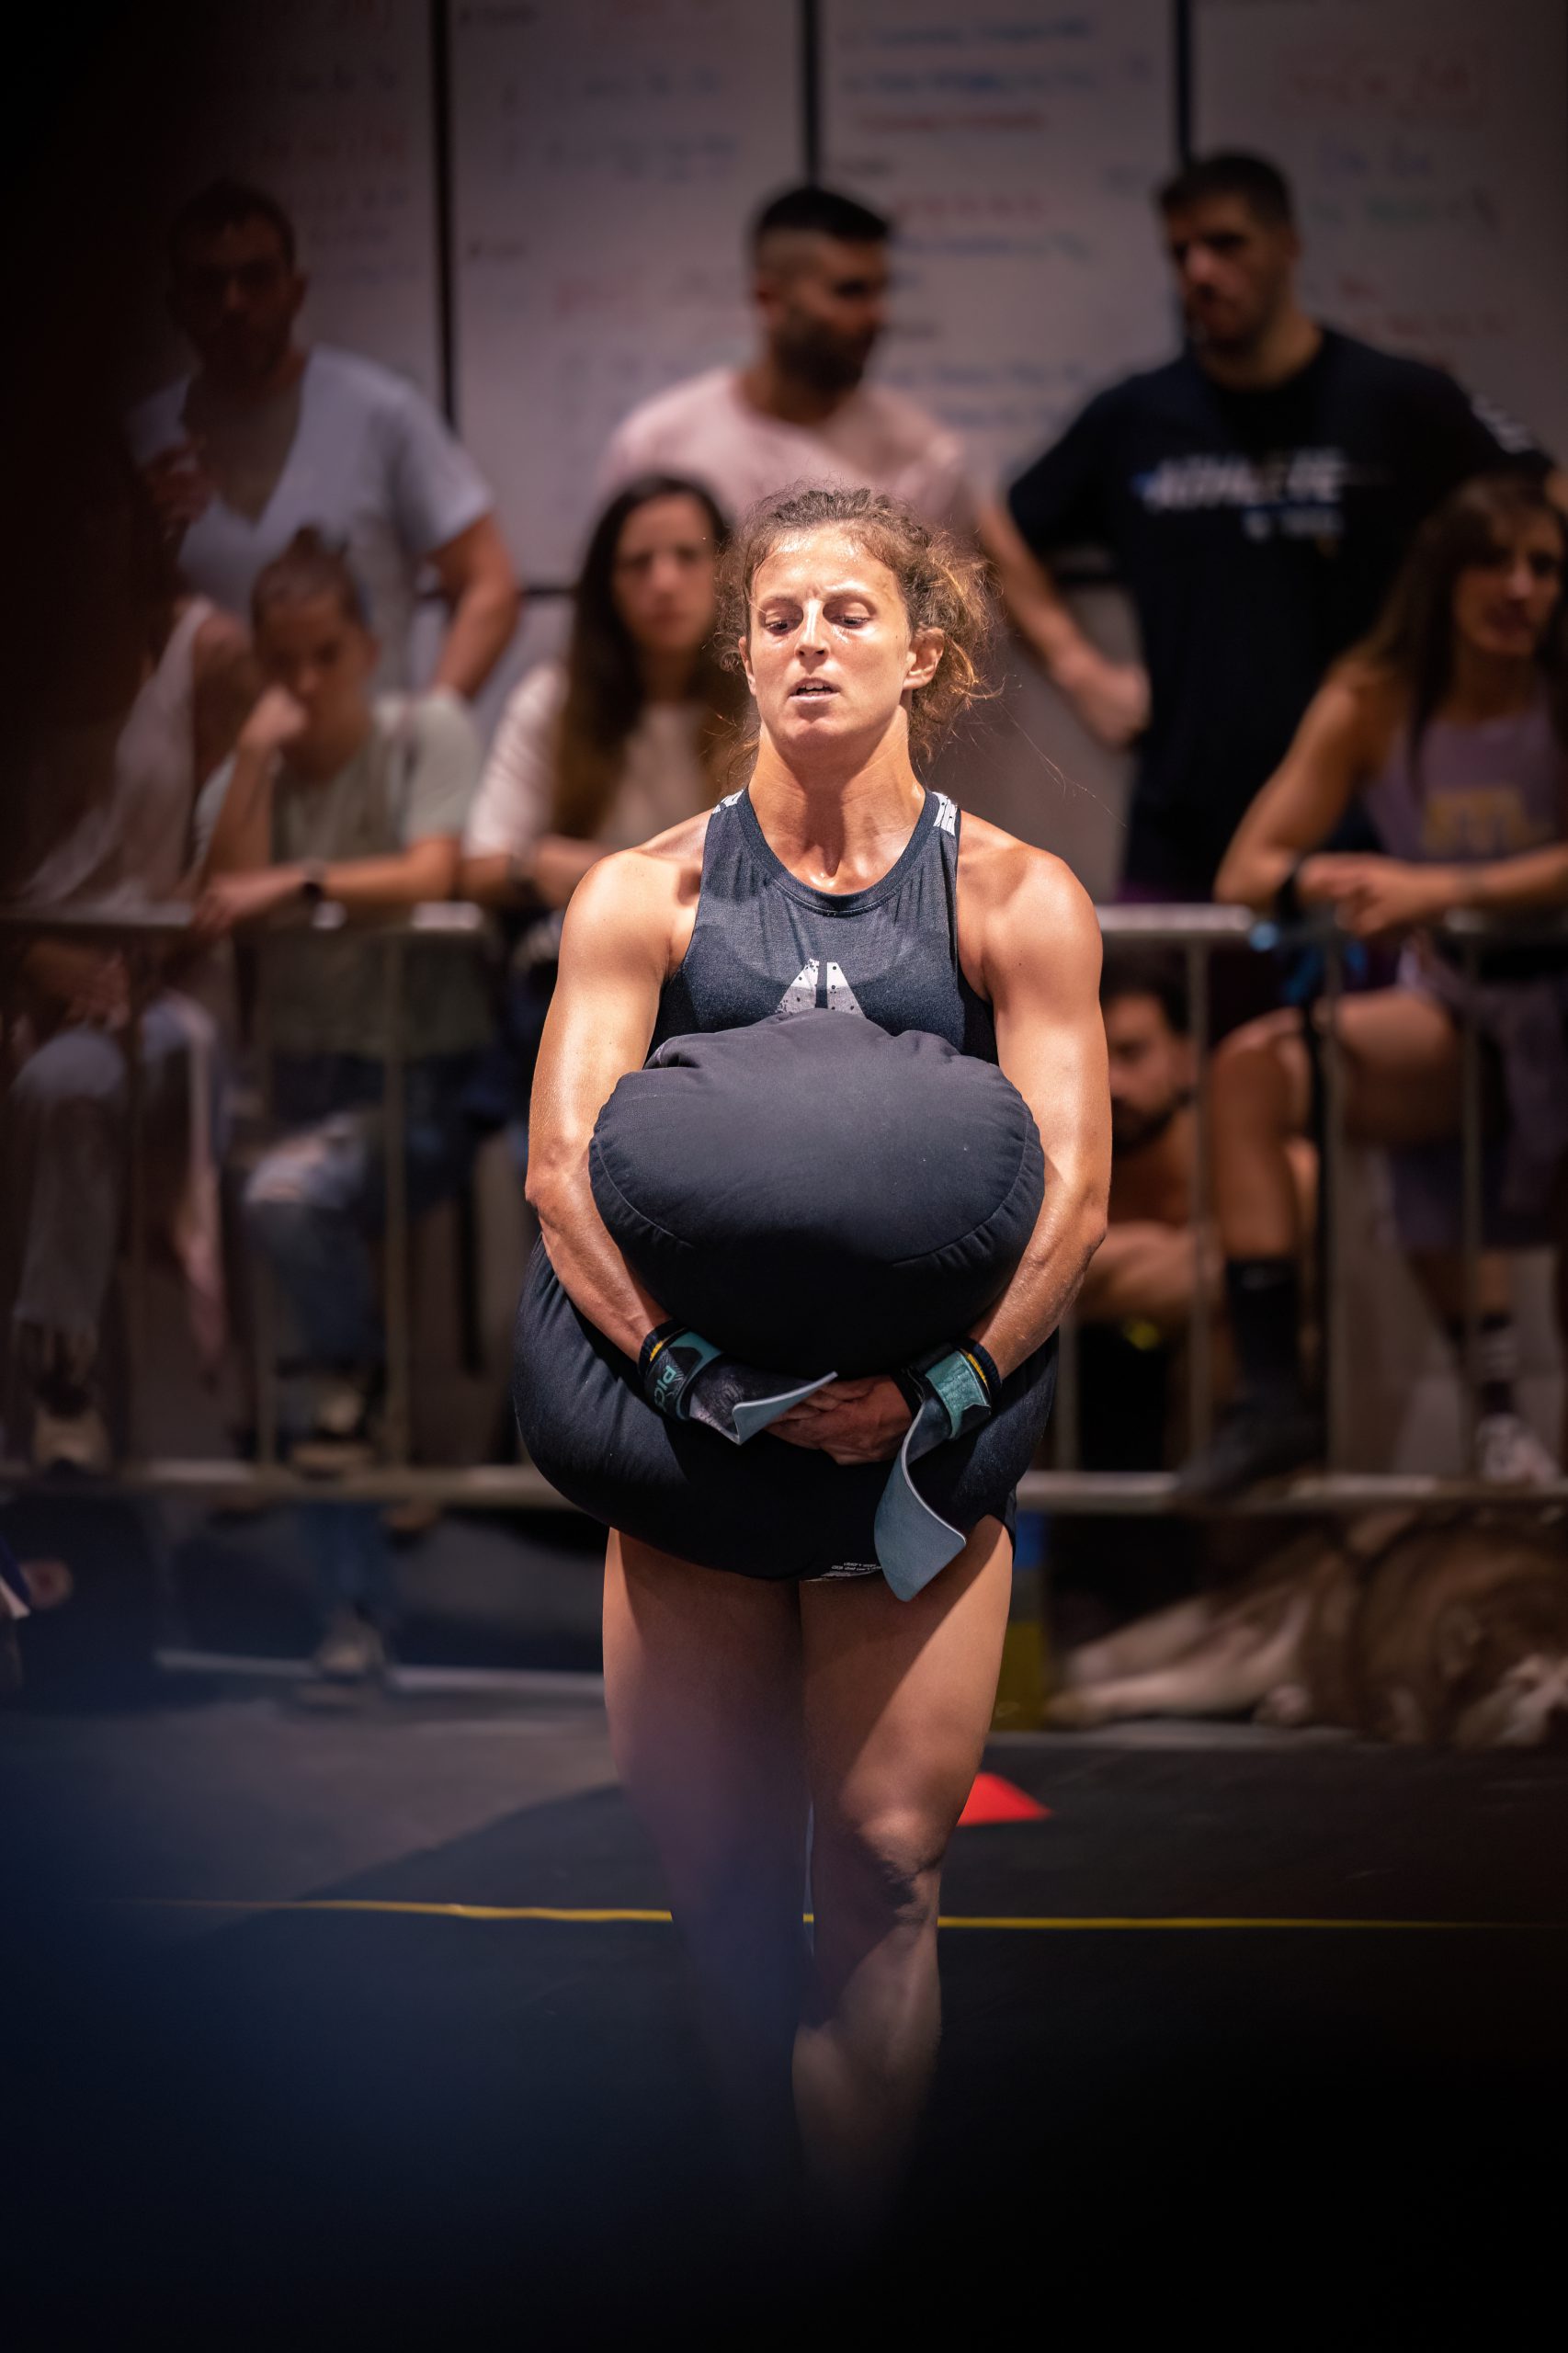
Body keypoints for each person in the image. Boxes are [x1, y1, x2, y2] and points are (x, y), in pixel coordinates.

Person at [524, 484, 1108, 2222]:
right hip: (698, 1436)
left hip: (910, 1451)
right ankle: (752, 2243)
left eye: (847, 615)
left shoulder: (1015, 894)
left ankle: (848, 2265)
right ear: (743, 653)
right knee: (716, 1885)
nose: (807, 646)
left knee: (878, 1869)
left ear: (922, 649)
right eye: (777, 618)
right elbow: (562, 1171)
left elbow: (1073, 1198)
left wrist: (946, 1389)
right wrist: (690, 1377)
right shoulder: (649, 894)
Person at [987, 151, 1559, 903]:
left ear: (1286, 245)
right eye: (1181, 252)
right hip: (1184, 810)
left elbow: (1542, 489)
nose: (1200, 271)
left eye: (1226, 244)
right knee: (1145, 1018)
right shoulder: (1137, 417)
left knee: (1340, 1022)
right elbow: (997, 526)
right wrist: (1078, 666)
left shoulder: (1394, 396)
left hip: (1367, 815)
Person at [1190, 472, 1568, 1495]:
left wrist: (1436, 888)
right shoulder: (1373, 698)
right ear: (1442, 577)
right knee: (1250, 1069)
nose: (1520, 588)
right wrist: (1312, 874)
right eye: (1494, 562)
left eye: (1543, 566)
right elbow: (1245, 866)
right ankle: (1273, 1398)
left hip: (1555, 993)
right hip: (1455, 1003)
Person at [193, 529, 491, 1677]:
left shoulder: (426, 730)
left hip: (419, 1082)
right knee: (326, 1375)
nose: (305, 684)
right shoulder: (253, 764)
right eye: (283, 661)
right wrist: (258, 764)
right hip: (304, 1079)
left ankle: (354, 1578)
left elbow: (433, 872)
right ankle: (350, 1610)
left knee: (288, 1206)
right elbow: (223, 893)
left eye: (326, 655)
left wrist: (304, 884)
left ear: (367, 646)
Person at [0, 432, 254, 1472]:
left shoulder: (201, 647)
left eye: (108, 512)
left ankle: (63, 1375)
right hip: (25, 970)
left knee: (68, 1086)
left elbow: (231, 844)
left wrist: (143, 961)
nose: (91, 539)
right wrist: (34, 964)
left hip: (157, 978)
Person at [130, 180, 520, 698]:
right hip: (200, 766)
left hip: (362, 763)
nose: (234, 304)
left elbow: (489, 584)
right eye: (208, 284)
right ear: (176, 306)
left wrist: (429, 729)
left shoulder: (381, 413)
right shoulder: (139, 441)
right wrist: (128, 550)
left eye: (257, 278)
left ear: (296, 291)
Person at [597, 185, 975, 538]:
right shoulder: (660, 445)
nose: (878, 315)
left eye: (881, 291)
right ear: (769, 299)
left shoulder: (923, 457)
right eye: (850, 291)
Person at [461, 474, 748, 912]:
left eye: (688, 556)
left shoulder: (763, 697)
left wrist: (628, 871)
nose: (665, 581)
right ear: (606, 585)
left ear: (726, 572)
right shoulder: (552, 699)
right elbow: (478, 867)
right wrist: (532, 864)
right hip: (589, 943)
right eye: (638, 563)